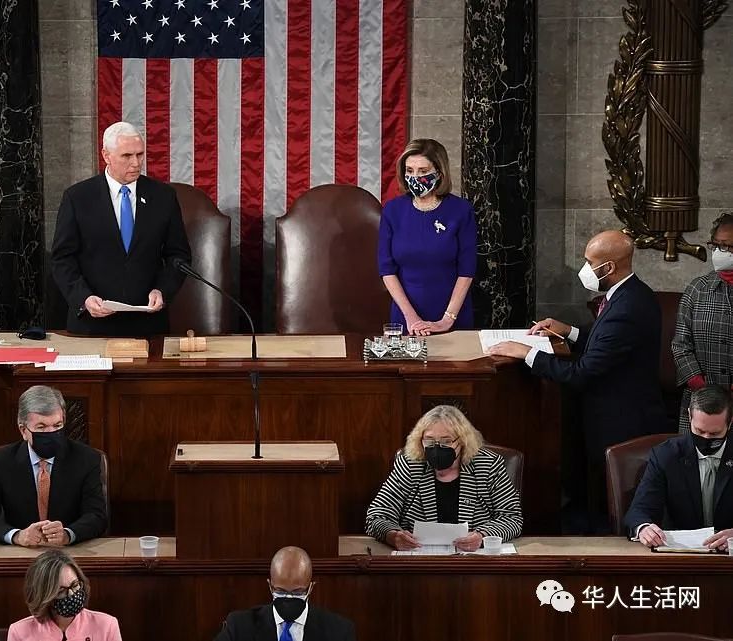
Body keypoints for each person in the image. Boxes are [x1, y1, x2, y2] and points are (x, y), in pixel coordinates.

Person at [490, 230, 667, 532]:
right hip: (613, 411)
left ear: (608, 268)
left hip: (621, 419)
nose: (584, 269)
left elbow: (583, 372)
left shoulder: (628, 308)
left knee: (606, 501)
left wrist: (528, 353)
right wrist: (569, 331)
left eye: (589, 262)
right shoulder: (629, 293)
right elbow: (604, 343)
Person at [51, 121, 192, 337]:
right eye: (127, 156)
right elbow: (62, 258)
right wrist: (84, 298)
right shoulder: (78, 198)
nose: (136, 163)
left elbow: (178, 255)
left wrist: (162, 290)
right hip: (92, 325)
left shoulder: (163, 197)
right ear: (106, 156)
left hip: (148, 324)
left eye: (140, 154)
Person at [365, 405, 522, 550]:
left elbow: (512, 518)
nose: (437, 447)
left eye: (446, 441)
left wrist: (482, 536)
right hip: (420, 559)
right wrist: (393, 536)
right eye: (430, 440)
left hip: (473, 560)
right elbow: (377, 515)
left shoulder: (487, 465)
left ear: (462, 442)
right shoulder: (410, 464)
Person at [0, 385, 108, 546]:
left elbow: (97, 516)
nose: (51, 433)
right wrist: (17, 536)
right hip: (21, 553)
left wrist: (68, 534)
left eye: (57, 426)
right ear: (23, 430)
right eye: (41, 427)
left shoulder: (87, 459)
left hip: (70, 552)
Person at [378, 138, 477, 336]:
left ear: (439, 173)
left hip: (452, 316)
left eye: (423, 171)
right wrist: (411, 318)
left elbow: (467, 271)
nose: (415, 177)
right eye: (409, 171)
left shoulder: (461, 210)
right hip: (405, 317)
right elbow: (387, 270)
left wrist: (447, 320)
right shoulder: (392, 210)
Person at [625, 385, 733, 550]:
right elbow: (639, 510)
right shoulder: (665, 455)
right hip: (680, 557)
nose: (706, 438)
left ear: (730, 422)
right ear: (689, 416)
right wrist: (644, 528)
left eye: (715, 434)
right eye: (699, 431)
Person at [214, 546, 355, 641]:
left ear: (310, 587)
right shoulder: (239, 627)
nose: (288, 598)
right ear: (270, 586)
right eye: (280, 591)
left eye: (298, 592)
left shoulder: (339, 631)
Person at [672, 212, 733, 433]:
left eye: (726, 247)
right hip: (700, 403)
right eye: (715, 245)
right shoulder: (698, 289)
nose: (718, 253)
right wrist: (699, 384)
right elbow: (680, 344)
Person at [8, 549, 122, 641]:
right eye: (61, 591)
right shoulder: (19, 632)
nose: (72, 594)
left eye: (75, 585)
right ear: (44, 595)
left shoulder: (107, 625)